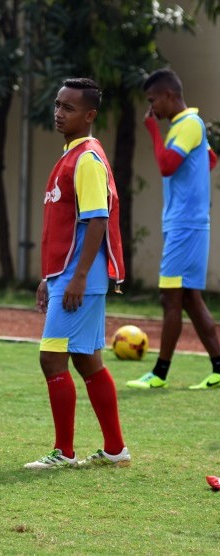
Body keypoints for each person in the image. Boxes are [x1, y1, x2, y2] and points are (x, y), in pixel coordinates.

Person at [25, 78, 130, 471]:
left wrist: (79, 277)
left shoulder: (86, 158)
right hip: (68, 275)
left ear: (89, 115)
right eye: (57, 104)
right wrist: (50, 277)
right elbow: (67, 229)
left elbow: (97, 220)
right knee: (87, 362)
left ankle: (64, 452)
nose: (58, 112)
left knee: (52, 360)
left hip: (81, 279)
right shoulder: (72, 156)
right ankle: (115, 449)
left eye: (68, 108)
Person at [126, 68, 220, 391]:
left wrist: (152, 130)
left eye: (154, 101)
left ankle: (160, 373)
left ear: (169, 95)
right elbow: (209, 161)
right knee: (191, 299)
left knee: (170, 299)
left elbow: (167, 164)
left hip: (185, 226)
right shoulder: (191, 126)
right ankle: (219, 367)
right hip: (186, 223)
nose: (152, 110)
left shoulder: (187, 124)